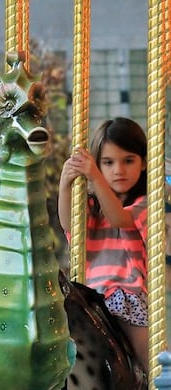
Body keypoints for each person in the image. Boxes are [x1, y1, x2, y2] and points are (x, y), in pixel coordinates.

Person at [58, 116, 148, 374]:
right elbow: (69, 223)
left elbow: (119, 217)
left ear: (143, 164)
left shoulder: (144, 202)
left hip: (127, 296)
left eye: (128, 161)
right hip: (90, 295)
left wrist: (96, 178)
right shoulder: (90, 205)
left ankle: (156, 386)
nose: (118, 170)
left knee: (151, 357)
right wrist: (66, 184)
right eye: (108, 163)